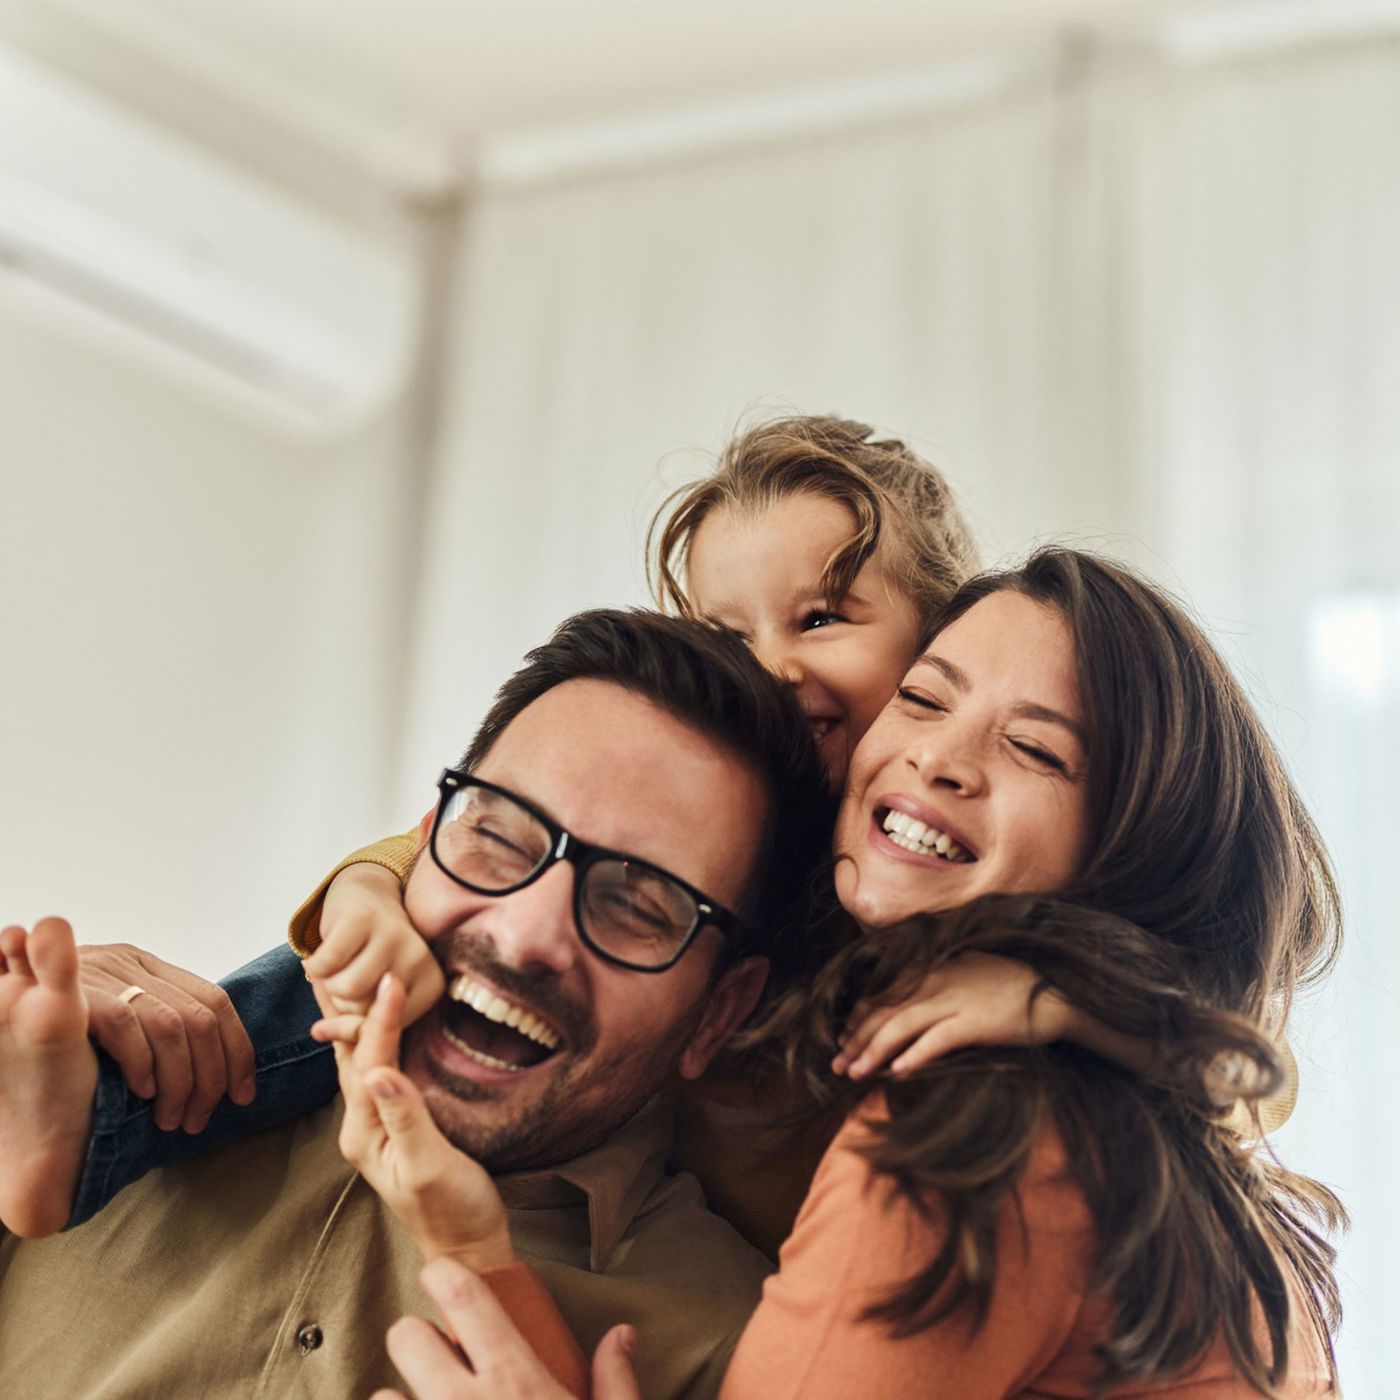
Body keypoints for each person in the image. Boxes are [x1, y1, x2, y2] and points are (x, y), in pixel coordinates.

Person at [344, 549, 1343, 1398]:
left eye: (1034, 749)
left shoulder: (973, 1131)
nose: (937, 758)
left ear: (1135, 848)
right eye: (922, 699)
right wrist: (473, 1245)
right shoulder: (1139, 1133)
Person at [0, 608, 837, 1399]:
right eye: (498, 836)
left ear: (719, 1013)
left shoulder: (741, 1355)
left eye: (639, 905)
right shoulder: (117, 1095)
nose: (522, 934)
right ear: (427, 837)